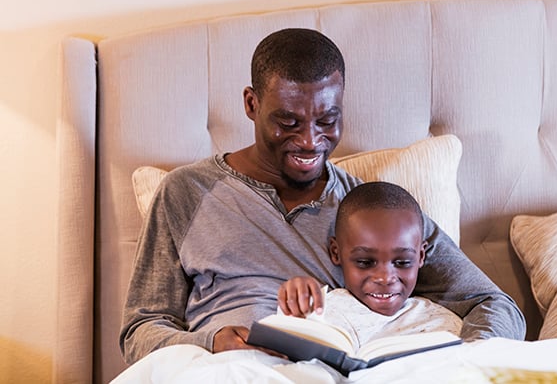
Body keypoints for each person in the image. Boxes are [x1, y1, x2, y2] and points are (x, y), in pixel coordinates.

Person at [119, 27, 525, 364]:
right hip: (226, 369)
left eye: (328, 120)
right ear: (251, 103)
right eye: (288, 122)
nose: (311, 141)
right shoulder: (187, 192)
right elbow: (140, 331)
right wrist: (211, 341)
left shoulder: (372, 213)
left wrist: (468, 361)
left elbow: (496, 306)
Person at [278, 181, 463, 347]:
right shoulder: (322, 309)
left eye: (402, 262)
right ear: (336, 252)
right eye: (365, 262)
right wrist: (294, 305)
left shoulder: (442, 320)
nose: (385, 278)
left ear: (421, 256)